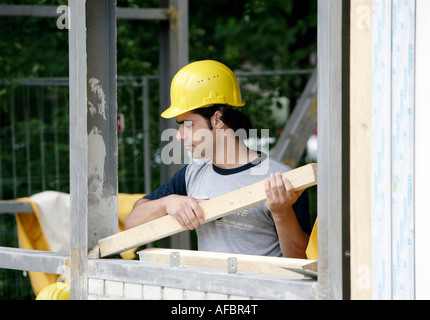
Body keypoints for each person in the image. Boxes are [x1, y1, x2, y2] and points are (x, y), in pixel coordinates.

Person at [124, 60, 311, 258]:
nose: (179, 135)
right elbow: (132, 223)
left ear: (217, 119)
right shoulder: (191, 176)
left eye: (187, 124)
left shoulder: (281, 180)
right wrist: (167, 203)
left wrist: (282, 213)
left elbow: (301, 259)